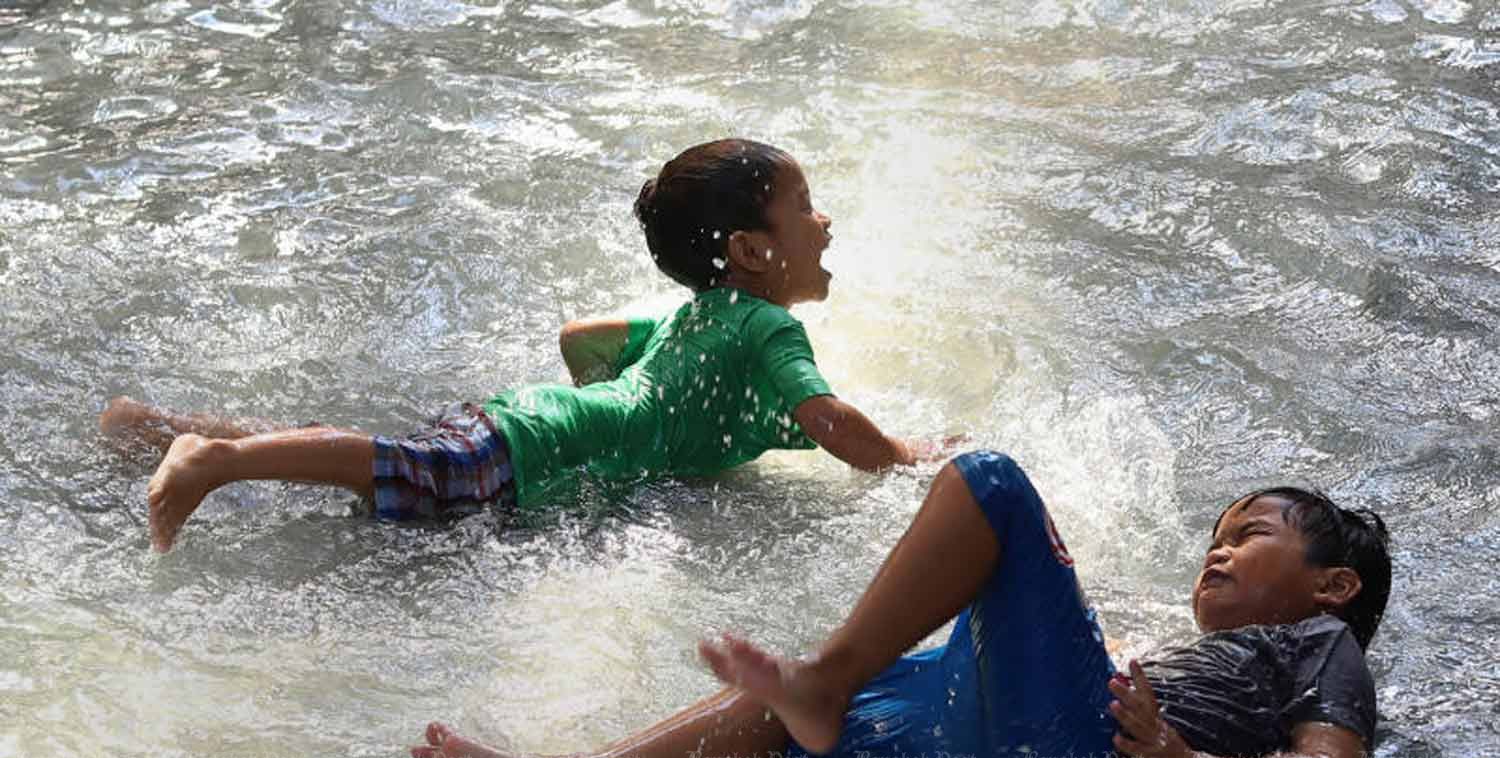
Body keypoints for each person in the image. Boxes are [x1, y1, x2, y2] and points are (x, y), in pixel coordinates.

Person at [408, 450, 1392, 758]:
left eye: (1250, 531)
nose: (1217, 547)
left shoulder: (1316, 642)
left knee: (993, 485)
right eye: (1216, 532)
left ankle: (825, 687)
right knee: (785, 701)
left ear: (1333, 584)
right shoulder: (1184, 642)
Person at [101, 138, 950, 552]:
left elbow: (580, 342)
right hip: (541, 438)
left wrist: (625, 421)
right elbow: (830, 420)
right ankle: (213, 459)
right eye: (808, 205)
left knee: (380, 463)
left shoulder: (698, 319)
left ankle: (171, 428)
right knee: (401, 468)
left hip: (537, 420)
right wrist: (908, 456)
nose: (825, 220)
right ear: (754, 251)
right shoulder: (766, 326)